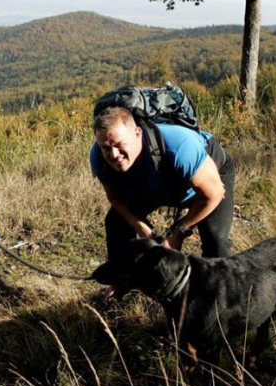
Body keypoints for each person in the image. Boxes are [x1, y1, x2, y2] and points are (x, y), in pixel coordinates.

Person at [90, 106, 235, 266]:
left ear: (138, 133)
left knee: (216, 240)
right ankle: (121, 280)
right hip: (155, 184)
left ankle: (220, 287)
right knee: (116, 222)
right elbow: (116, 199)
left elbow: (214, 194)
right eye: (106, 148)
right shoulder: (99, 158)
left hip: (207, 184)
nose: (114, 155)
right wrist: (141, 227)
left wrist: (178, 232)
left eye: (120, 144)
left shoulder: (178, 147)